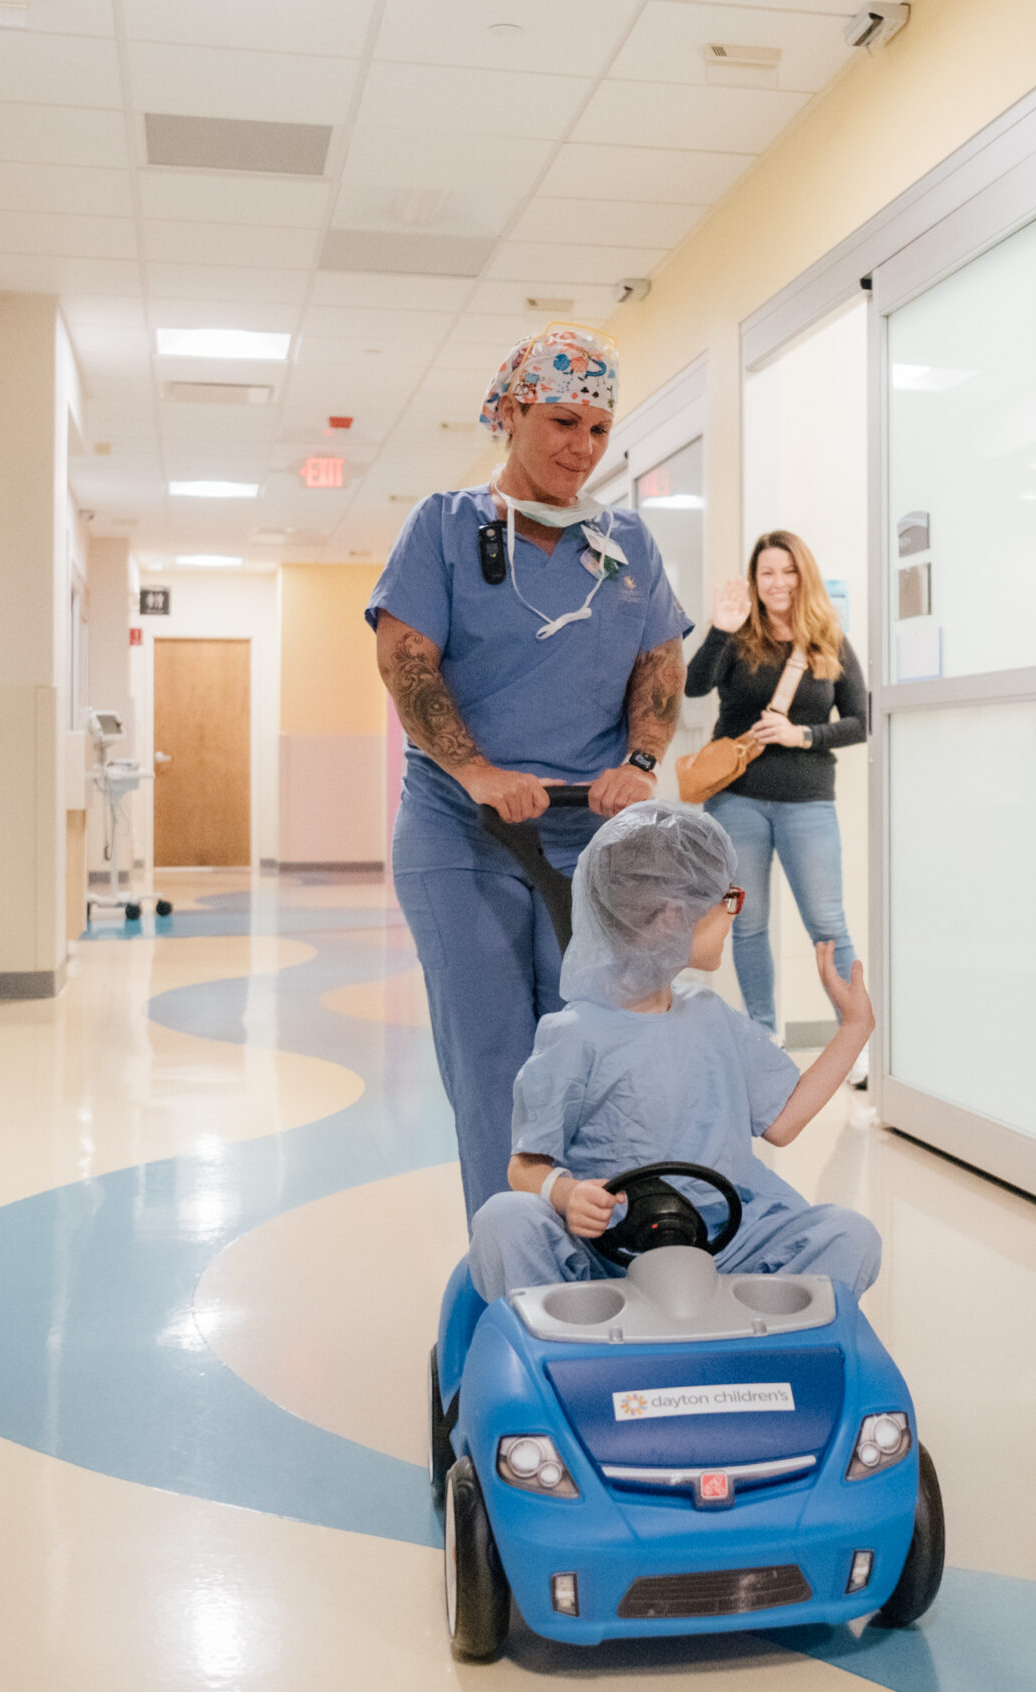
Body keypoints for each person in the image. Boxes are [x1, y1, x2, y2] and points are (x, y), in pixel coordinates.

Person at [368, 326, 689, 1219]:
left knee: (597, 1049)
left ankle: (597, 1244)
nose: (580, 449)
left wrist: (640, 760)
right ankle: (509, 1263)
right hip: (462, 833)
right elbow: (407, 661)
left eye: (597, 429)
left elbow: (660, 663)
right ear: (510, 413)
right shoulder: (442, 526)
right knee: (496, 1064)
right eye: (560, 422)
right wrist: (474, 770)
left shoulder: (626, 544)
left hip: (589, 837)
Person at [467, 801, 881, 1302]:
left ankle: (764, 1354)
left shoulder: (712, 1016)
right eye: (727, 899)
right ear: (673, 917)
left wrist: (855, 1027)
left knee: (850, 1235)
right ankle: (562, 1349)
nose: (735, 913)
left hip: (725, 1247)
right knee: (505, 1219)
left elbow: (784, 1121)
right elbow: (524, 1166)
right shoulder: (574, 1034)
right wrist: (566, 1193)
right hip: (607, 1253)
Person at [682, 530, 868, 1043]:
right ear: (754, 580)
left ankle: (856, 1036)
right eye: (767, 573)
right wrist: (719, 629)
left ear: (802, 575)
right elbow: (693, 685)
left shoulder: (828, 638)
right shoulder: (738, 636)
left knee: (828, 923)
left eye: (788, 571)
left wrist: (802, 734)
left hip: (807, 801)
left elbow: (860, 722)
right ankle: (762, 1034)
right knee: (747, 924)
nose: (778, 582)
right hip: (736, 800)